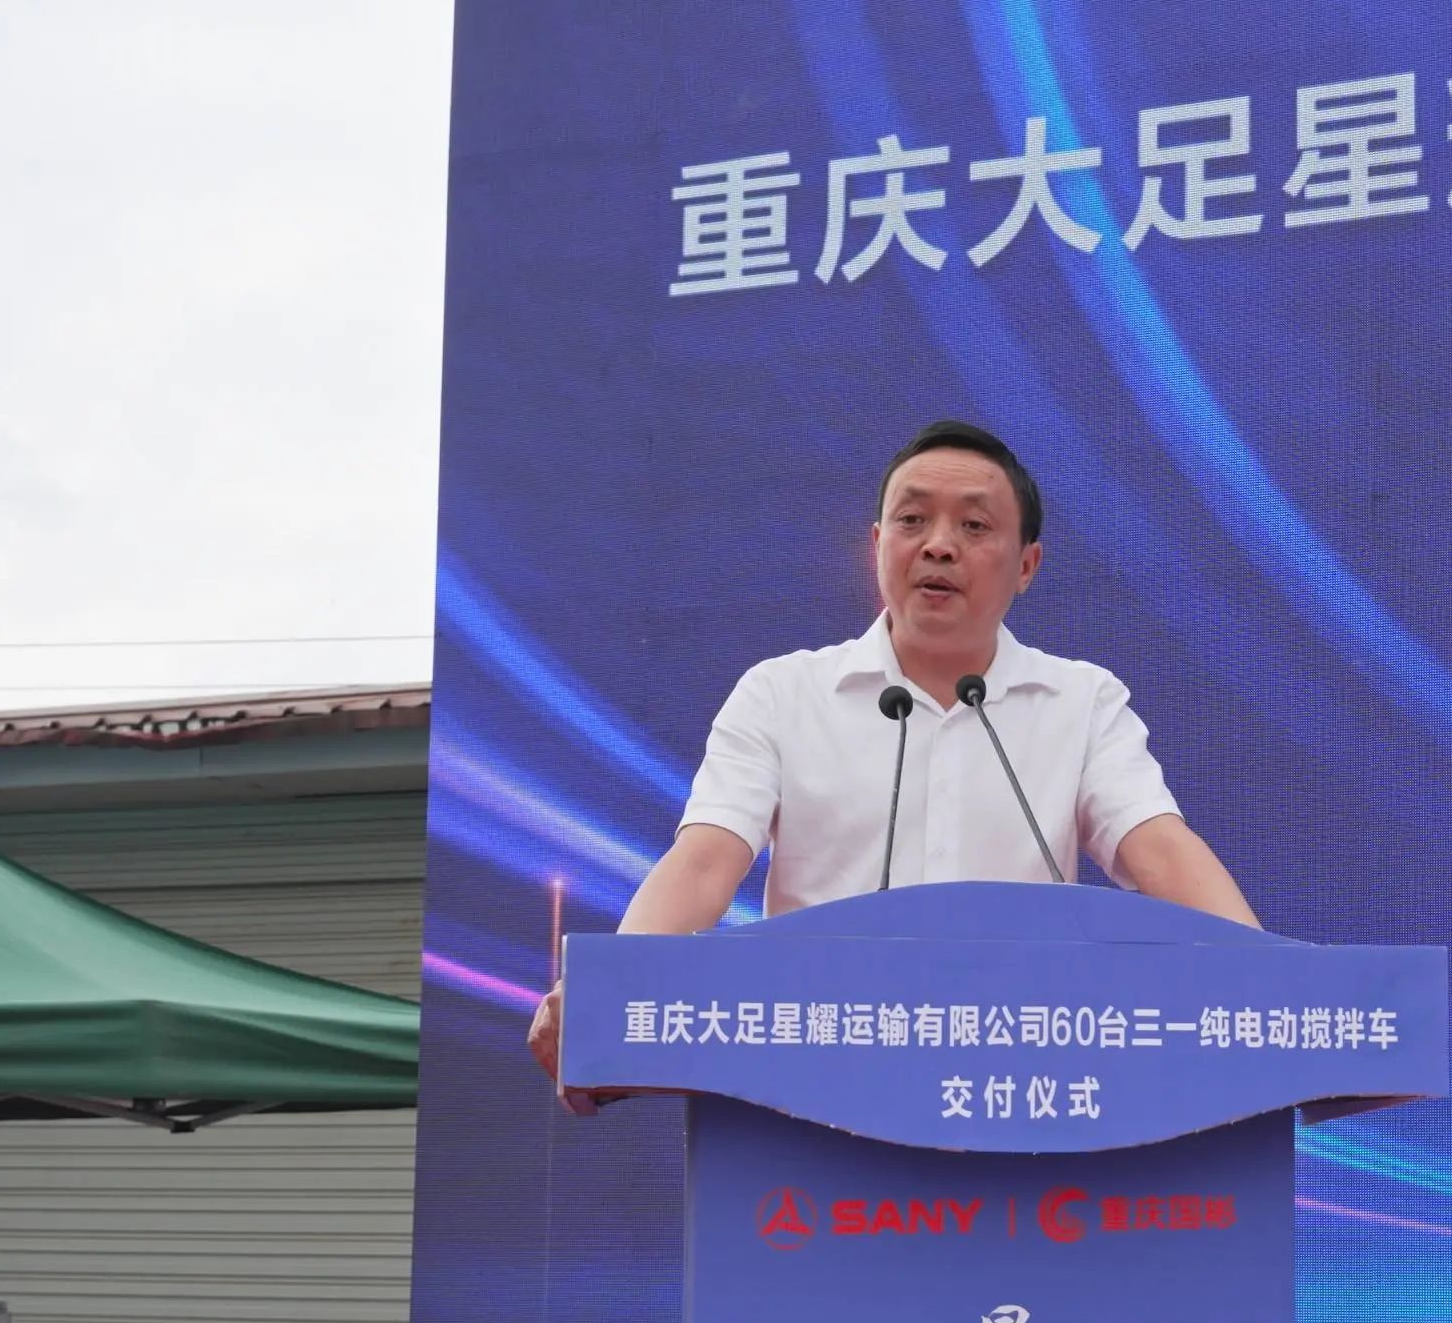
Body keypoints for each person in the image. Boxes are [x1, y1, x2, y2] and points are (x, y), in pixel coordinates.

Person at [526, 419, 1255, 1094]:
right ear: (877, 544)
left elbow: (1159, 852)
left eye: (974, 525)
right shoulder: (782, 693)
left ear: (1027, 565)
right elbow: (705, 861)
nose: (938, 545)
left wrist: (1277, 989)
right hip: (819, 1088)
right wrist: (615, 993)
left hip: (1017, 1093)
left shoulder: (1081, 702)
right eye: (912, 520)